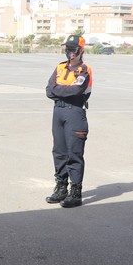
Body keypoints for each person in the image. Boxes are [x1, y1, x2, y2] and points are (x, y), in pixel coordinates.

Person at [45, 35, 94, 208]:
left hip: (75, 112)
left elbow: (77, 90)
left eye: (73, 49)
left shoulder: (84, 69)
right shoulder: (59, 67)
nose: (70, 52)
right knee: (59, 152)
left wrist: (59, 89)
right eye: (67, 48)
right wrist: (62, 90)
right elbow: (49, 90)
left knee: (74, 152)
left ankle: (76, 192)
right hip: (58, 111)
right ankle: (61, 187)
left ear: (81, 50)